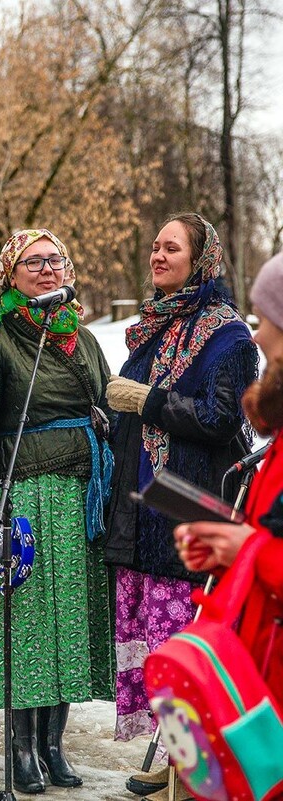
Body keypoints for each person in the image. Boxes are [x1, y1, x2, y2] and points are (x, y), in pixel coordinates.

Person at [104, 214, 257, 796]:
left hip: (188, 510)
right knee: (153, 642)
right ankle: (171, 757)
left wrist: (149, 400)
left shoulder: (227, 336)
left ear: (202, 258)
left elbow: (222, 420)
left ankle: (190, 765)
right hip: (142, 509)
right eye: (155, 245)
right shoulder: (151, 328)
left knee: (179, 643)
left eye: (172, 247)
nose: (158, 255)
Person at [0, 229, 115, 794]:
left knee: (67, 629)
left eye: (56, 261)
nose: (48, 271)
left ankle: (53, 745)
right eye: (34, 263)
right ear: (10, 274)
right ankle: (21, 748)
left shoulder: (85, 340)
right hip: (23, 501)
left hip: (78, 502)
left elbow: (106, 400)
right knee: (26, 631)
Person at [172, 251, 283, 801]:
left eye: (268, 323)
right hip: (259, 678)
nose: (258, 338)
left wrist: (250, 547)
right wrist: (226, 549)